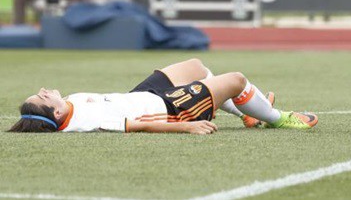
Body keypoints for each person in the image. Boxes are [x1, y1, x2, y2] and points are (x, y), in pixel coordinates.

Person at [8, 58, 318, 133]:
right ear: (58, 114)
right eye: (44, 98)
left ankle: (248, 114)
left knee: (196, 66)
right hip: (170, 107)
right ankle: (279, 120)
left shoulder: (72, 105)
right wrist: (186, 126)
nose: (44, 90)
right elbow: (139, 124)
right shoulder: (89, 118)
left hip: (140, 94)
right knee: (236, 80)